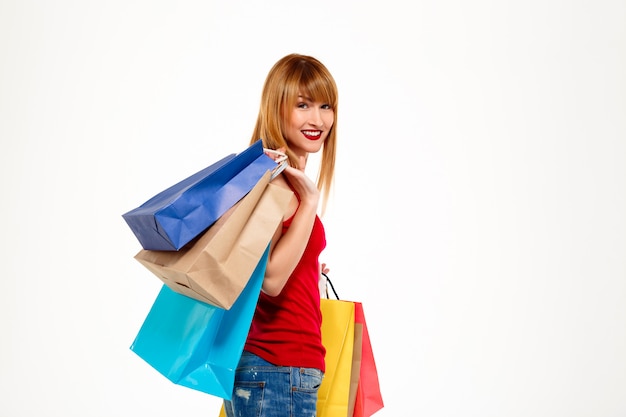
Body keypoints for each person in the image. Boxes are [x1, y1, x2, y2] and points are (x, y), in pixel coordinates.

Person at [222, 53, 338, 417]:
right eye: (302, 105)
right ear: (278, 107)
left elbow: (265, 269)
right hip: (276, 368)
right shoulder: (276, 182)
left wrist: (308, 274)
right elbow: (271, 279)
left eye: (325, 106)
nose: (317, 119)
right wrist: (310, 202)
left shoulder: (283, 181)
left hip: (279, 370)